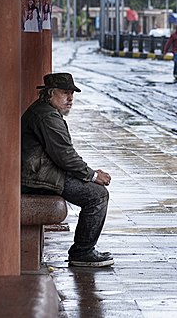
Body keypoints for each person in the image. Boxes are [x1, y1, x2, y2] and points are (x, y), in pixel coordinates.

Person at [21, 73, 114, 267]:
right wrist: (92, 175)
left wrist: (85, 173)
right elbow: (65, 155)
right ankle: (82, 253)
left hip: (40, 172)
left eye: (72, 93)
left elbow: (63, 156)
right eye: (65, 93)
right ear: (49, 94)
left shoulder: (45, 112)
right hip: (36, 178)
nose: (70, 98)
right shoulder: (46, 116)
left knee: (94, 191)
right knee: (97, 195)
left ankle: (83, 251)